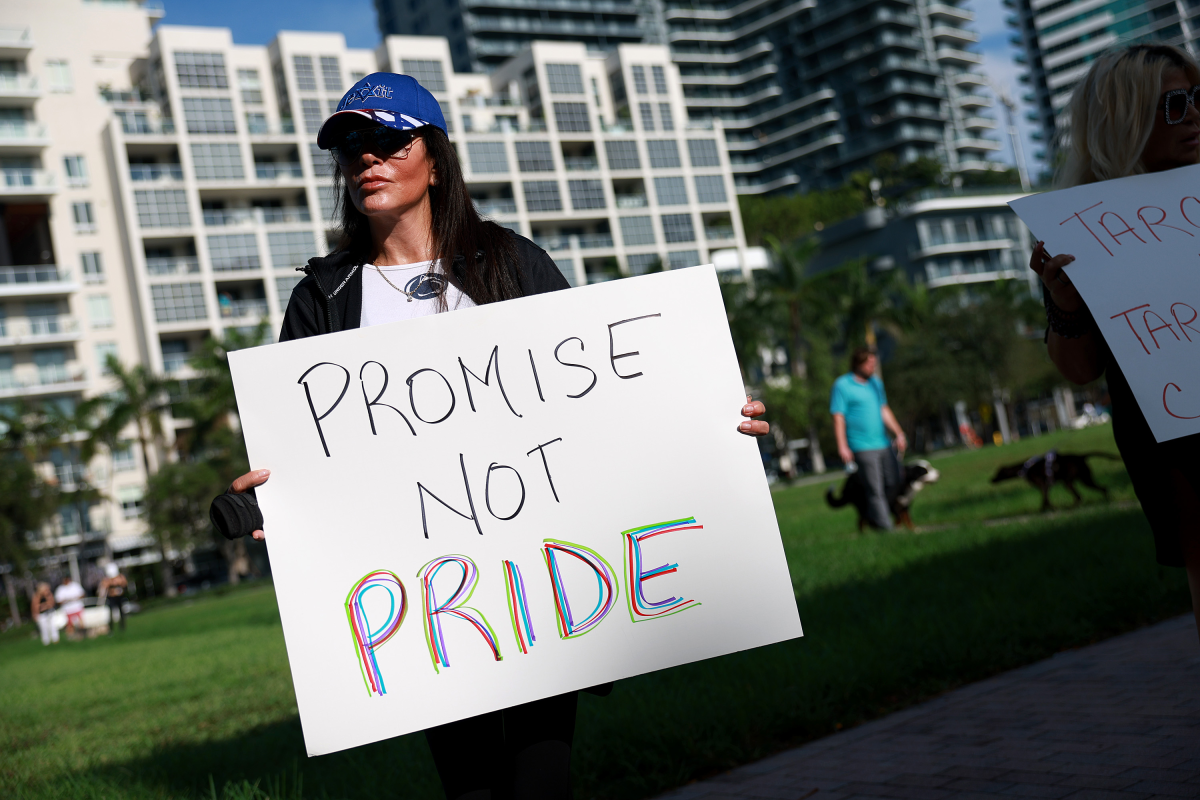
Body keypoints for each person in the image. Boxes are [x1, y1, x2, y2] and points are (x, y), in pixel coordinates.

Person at [209, 72, 771, 799]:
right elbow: (300, 451)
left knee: (542, 780)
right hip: (422, 602)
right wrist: (263, 498)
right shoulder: (324, 296)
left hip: (539, 582)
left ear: (435, 158)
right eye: (349, 147)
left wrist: (712, 420)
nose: (365, 160)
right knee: (472, 788)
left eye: (386, 140)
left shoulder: (510, 263)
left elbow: (605, 395)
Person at [1029, 42, 1200, 642]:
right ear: (1122, 122)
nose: (1194, 115)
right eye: (1173, 105)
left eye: (1197, 98)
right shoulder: (1086, 230)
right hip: (1179, 441)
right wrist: (1068, 302)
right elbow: (1078, 370)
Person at [830, 347, 907, 530]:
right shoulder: (842, 385)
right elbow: (838, 416)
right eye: (869, 364)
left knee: (894, 481)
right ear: (858, 363)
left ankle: (873, 514)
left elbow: (883, 409)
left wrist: (899, 432)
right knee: (875, 488)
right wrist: (842, 446)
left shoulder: (875, 384)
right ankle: (885, 528)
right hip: (861, 446)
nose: (872, 367)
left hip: (883, 442)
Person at [99, 563, 127, 633]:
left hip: (119, 597)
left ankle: (122, 627)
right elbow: (104, 586)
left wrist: (118, 582)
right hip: (111, 598)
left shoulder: (120, 577)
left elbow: (124, 583)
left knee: (121, 612)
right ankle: (111, 629)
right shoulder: (106, 580)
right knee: (110, 613)